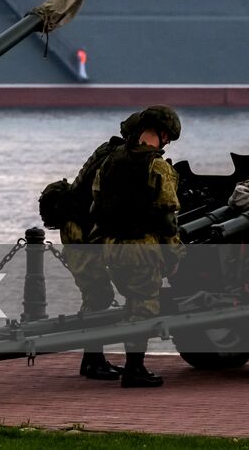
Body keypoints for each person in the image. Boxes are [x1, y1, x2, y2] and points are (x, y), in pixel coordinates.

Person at [37, 111, 142, 380]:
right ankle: (93, 361)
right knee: (98, 295)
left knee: (99, 295)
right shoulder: (117, 159)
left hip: (85, 228)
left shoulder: (111, 151)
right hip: (78, 230)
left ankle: (92, 360)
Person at [91, 104, 183, 388]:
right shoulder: (157, 166)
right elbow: (168, 215)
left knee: (132, 303)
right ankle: (135, 369)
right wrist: (174, 253)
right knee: (144, 308)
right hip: (141, 247)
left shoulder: (111, 160)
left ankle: (124, 362)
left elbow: (97, 204)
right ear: (164, 133)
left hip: (112, 246)